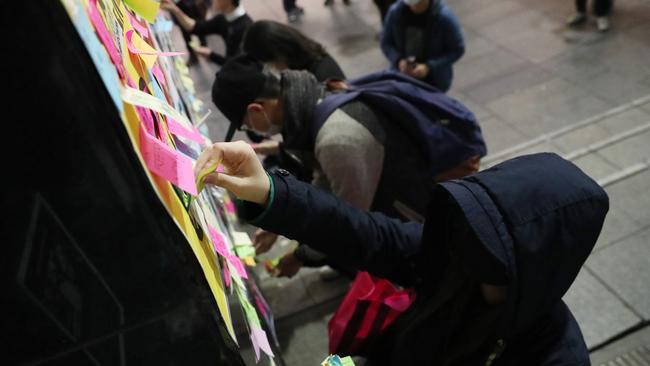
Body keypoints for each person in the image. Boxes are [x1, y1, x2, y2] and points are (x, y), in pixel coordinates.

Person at [195, 142, 608, 365]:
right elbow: (365, 233)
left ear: (533, 263)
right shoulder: (454, 262)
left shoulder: (555, 356)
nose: (461, 240)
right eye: (466, 222)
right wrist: (270, 190)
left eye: (484, 239)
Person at [211, 55, 483, 277]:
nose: (250, 132)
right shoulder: (315, 93)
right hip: (399, 193)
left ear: (257, 109)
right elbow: (326, 179)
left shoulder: (337, 139)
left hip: (415, 218)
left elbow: (347, 222)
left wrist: (299, 256)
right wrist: (281, 214)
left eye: (245, 125)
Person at [380, 0, 464, 92]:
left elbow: (457, 49)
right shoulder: (395, 12)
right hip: (402, 77)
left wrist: (429, 66)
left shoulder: (444, 17)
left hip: (433, 83)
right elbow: (386, 42)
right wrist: (398, 60)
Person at [243, 20, 346, 82]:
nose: (275, 70)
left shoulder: (321, 80)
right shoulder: (311, 54)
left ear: (279, 56)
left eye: (270, 65)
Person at [161, 0, 252, 65]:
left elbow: (234, 65)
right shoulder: (224, 18)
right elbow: (197, 27)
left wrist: (211, 55)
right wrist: (175, 9)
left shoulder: (244, 28)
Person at [168, 0, 209, 66]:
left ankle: (204, 47)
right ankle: (193, 54)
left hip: (189, 3)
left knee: (197, 25)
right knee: (185, 33)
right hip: (177, 5)